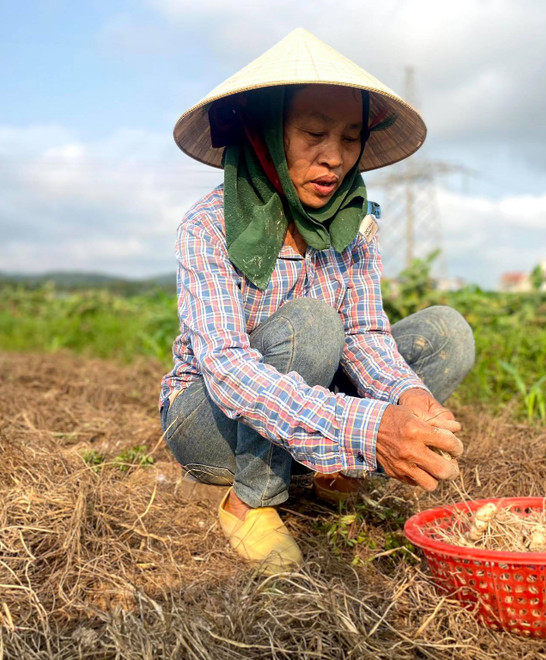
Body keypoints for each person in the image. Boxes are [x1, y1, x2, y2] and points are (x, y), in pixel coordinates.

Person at [161, 28, 475, 573]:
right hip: (210, 422)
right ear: (265, 136)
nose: (334, 157)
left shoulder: (355, 225)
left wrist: (407, 397)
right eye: (313, 133)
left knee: (447, 333)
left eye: (351, 138)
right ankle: (250, 500)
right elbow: (228, 368)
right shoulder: (208, 227)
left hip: (305, 408)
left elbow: (366, 336)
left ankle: (328, 472)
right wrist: (370, 427)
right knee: (311, 324)